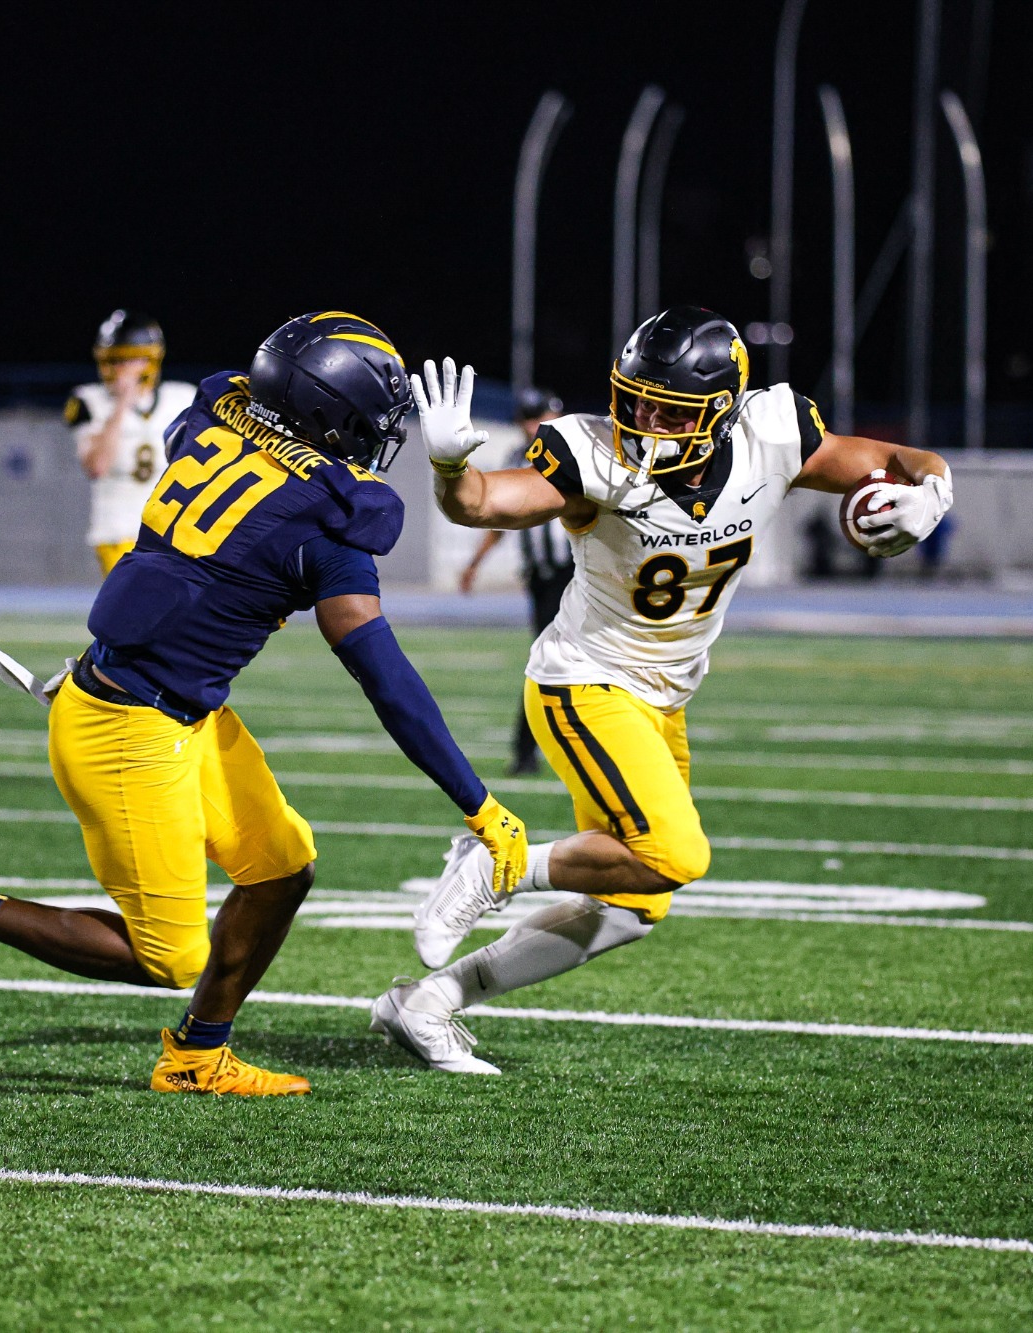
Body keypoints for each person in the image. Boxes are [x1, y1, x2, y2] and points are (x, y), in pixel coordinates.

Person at [0, 312, 529, 1095]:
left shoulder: (214, 412)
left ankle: (195, 1054)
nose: (376, 441)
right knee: (168, 956)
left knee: (282, 867)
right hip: (126, 724)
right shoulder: (330, 522)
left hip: (182, 706)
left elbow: (237, 439)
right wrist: (478, 803)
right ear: (330, 418)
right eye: (369, 425)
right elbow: (382, 674)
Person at [371, 306, 954, 1075]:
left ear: (719, 413)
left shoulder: (772, 434)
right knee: (678, 850)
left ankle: (430, 1001)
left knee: (634, 906)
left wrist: (929, 497)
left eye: (666, 408)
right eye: (634, 397)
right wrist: (450, 470)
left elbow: (907, 459)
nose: (642, 419)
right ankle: (495, 862)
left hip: (664, 698)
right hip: (586, 681)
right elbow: (486, 502)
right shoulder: (595, 454)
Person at [455, 386, 570, 774]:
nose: (537, 425)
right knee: (548, 660)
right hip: (544, 578)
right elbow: (499, 519)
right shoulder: (518, 458)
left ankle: (533, 750)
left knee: (572, 660)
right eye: (531, 418)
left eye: (543, 416)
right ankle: (527, 751)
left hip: (579, 572)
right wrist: (474, 563)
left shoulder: (577, 451)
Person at [64, 311, 196, 579]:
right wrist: (122, 405)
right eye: (115, 360)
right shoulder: (89, 401)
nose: (121, 369)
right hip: (117, 530)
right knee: (142, 614)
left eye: (130, 359)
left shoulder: (182, 397)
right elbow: (97, 466)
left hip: (173, 530)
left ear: (151, 359)